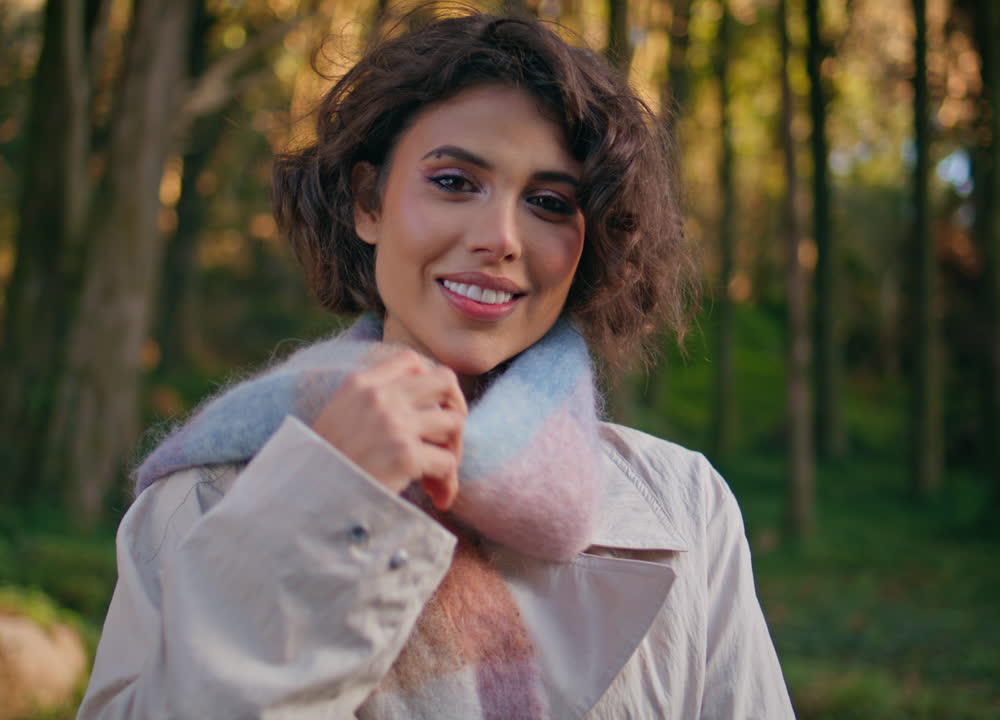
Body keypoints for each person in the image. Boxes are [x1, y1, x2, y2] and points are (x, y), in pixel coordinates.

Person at [77, 9, 793, 719]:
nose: (500, 237)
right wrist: (330, 495)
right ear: (369, 203)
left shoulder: (685, 505)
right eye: (454, 182)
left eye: (549, 203)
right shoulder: (201, 499)